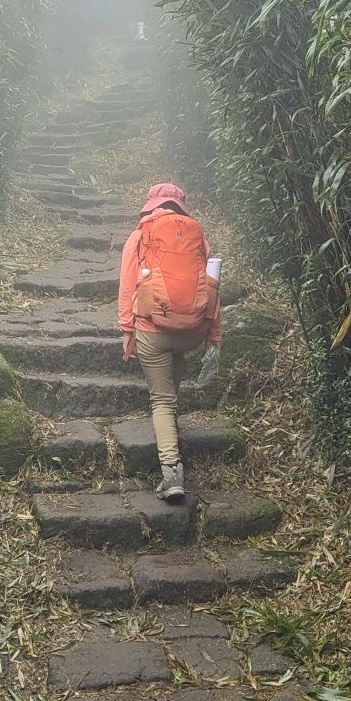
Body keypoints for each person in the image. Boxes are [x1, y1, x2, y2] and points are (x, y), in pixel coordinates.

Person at [117, 183, 222, 501]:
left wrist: (127, 330)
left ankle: (172, 473)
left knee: (161, 401)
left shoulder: (141, 235)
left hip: (153, 328)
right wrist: (213, 334)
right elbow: (212, 284)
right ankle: (171, 445)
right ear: (181, 207)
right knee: (170, 396)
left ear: (152, 204)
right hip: (191, 331)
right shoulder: (197, 236)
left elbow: (126, 285)